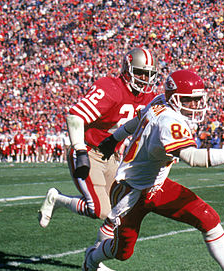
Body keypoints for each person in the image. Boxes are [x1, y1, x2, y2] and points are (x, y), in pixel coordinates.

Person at [81, 68, 224, 271]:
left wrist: (115, 138)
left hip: (157, 185)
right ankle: (92, 257)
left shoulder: (160, 101)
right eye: (189, 99)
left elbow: (136, 120)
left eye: (198, 99)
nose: (195, 104)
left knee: (208, 218)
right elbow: (192, 157)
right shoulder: (169, 120)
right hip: (130, 192)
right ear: (173, 97)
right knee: (121, 253)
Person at [38, 47, 158, 230]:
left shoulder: (148, 97)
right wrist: (80, 150)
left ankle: (95, 256)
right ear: (127, 69)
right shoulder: (111, 88)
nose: (144, 79)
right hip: (89, 149)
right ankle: (57, 198)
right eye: (140, 73)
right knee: (100, 210)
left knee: (118, 209)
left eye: (148, 74)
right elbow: (75, 116)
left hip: (112, 155)